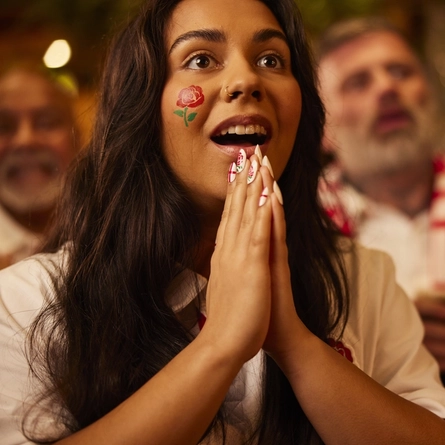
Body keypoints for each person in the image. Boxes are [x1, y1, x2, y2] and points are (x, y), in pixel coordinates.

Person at [1, 0, 445, 443]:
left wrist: (295, 344)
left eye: (271, 60)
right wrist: (223, 344)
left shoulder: (364, 277)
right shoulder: (25, 301)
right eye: (200, 60)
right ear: (140, 109)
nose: (246, 80)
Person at [317, 17, 445, 382]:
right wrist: (393, 337)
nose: (387, 87)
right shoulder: (297, 225)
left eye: (401, 72)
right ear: (321, 128)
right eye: (358, 82)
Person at [0, 64, 78, 269]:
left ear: (77, 137)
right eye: (4, 127)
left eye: (47, 123)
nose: (26, 140)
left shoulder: (117, 236)